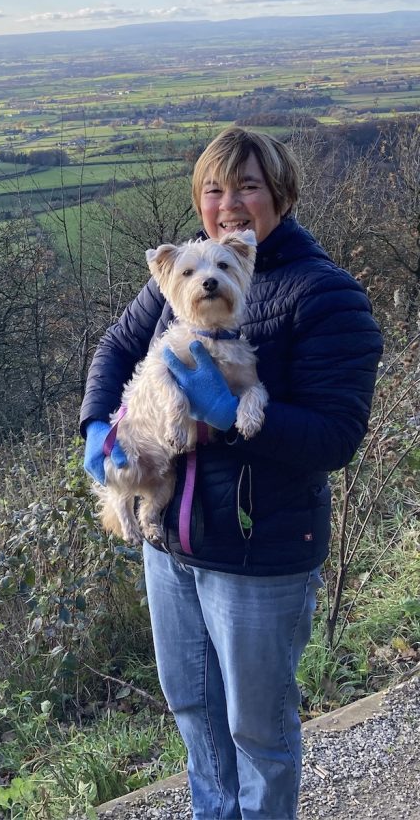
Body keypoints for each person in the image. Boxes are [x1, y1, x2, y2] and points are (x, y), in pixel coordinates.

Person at [80, 127, 382, 820]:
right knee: (195, 717)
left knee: (257, 732)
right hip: (174, 543)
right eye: (214, 190)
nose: (230, 203)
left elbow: (336, 436)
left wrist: (232, 415)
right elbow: (117, 345)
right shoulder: (186, 273)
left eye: (247, 186)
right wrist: (97, 424)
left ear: (280, 194)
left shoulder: (327, 295)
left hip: (260, 553)